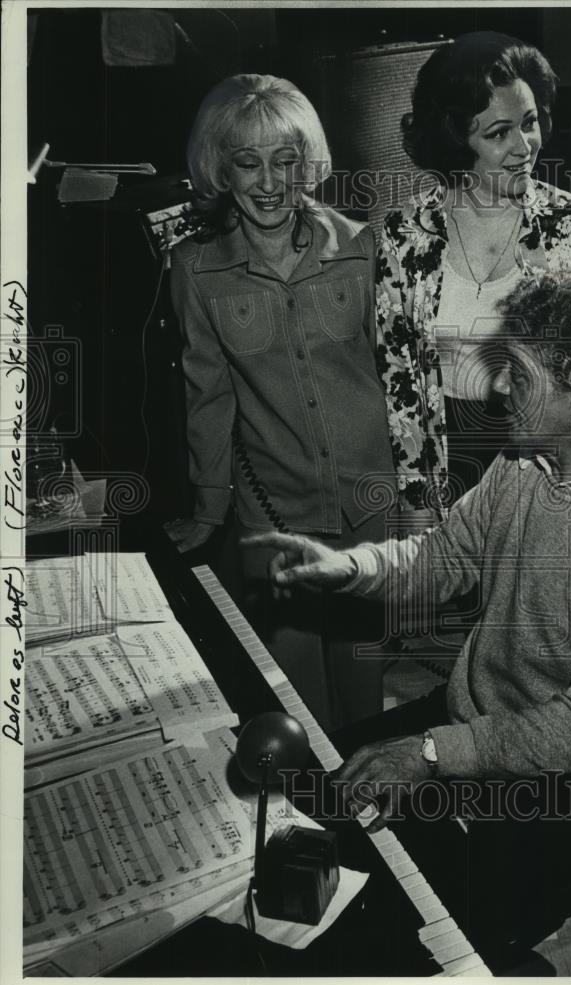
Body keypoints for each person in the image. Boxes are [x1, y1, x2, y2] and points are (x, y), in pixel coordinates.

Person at [248, 270, 571, 965]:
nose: (500, 389)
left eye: (519, 375)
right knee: (304, 803)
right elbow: (439, 559)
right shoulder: (526, 464)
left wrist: (433, 754)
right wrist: (341, 567)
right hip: (474, 728)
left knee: (385, 939)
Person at [164, 74, 396, 730]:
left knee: (360, 688)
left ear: (307, 164)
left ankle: (366, 817)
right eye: (248, 162)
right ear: (220, 169)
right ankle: (315, 823)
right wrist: (209, 511)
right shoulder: (193, 267)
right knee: (295, 700)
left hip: (366, 497)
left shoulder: (359, 246)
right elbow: (205, 397)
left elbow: (398, 376)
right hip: (271, 504)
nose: (269, 182)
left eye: (286, 161)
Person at [376, 31, 571, 523]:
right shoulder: (405, 235)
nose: (523, 147)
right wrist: (417, 502)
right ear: (455, 137)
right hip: (446, 454)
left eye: (529, 124)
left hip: (548, 455)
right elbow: (399, 379)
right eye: (498, 133)